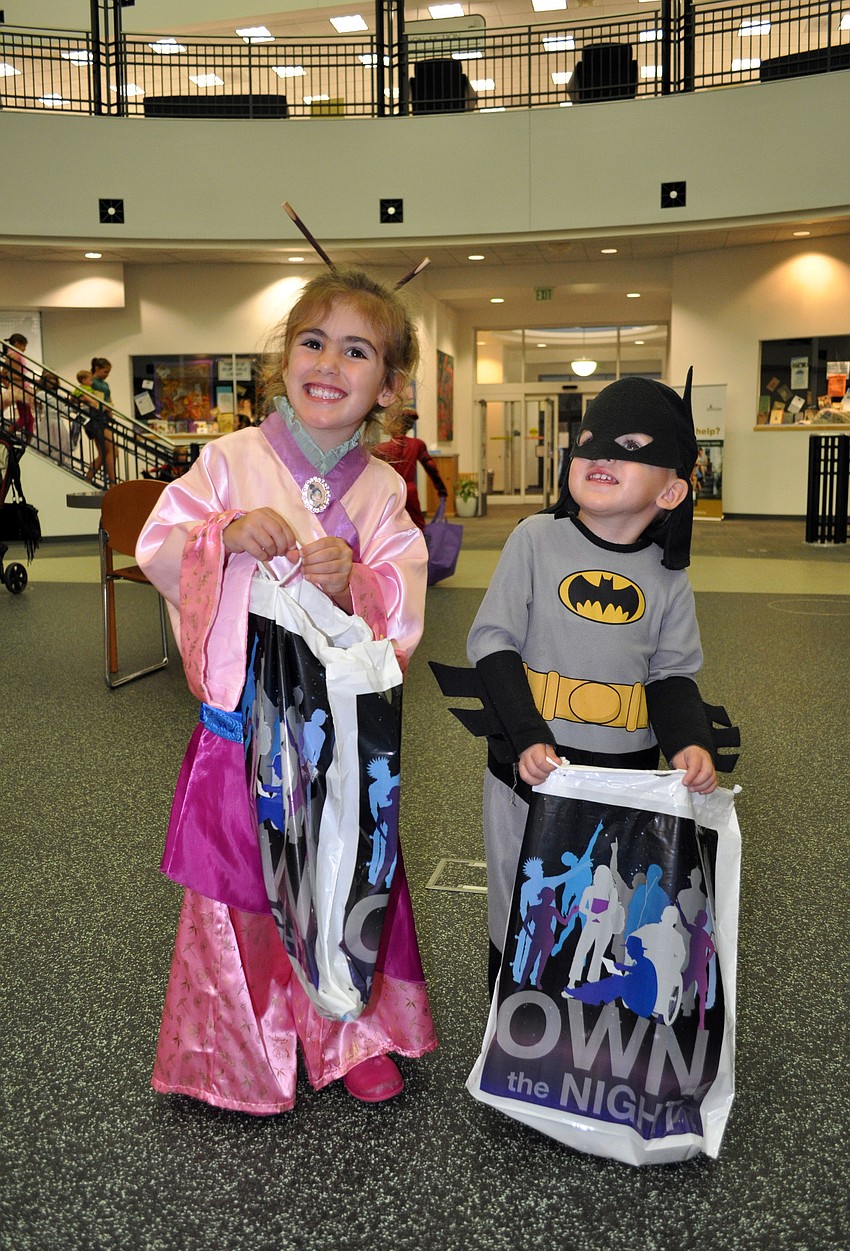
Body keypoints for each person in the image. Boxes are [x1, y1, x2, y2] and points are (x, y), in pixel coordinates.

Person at [136, 268, 437, 1114]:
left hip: (334, 743)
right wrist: (222, 535)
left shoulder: (382, 491)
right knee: (240, 890)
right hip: (242, 728)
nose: (329, 363)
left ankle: (352, 1034)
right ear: (283, 360)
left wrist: (357, 586)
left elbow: (401, 601)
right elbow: (163, 542)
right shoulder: (228, 459)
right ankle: (232, 1044)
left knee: (342, 878)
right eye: (313, 341)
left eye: (358, 350)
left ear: (388, 384)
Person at [466, 373, 718, 991]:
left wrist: (690, 740)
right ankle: (513, 1025)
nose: (600, 454)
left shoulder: (666, 578)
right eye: (588, 441)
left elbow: (671, 674)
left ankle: (581, 1040)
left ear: (671, 490)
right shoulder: (535, 540)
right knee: (522, 904)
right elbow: (491, 644)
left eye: (630, 446)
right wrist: (525, 735)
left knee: (604, 911)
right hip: (531, 771)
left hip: (622, 779)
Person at [374, 408, 447, 530]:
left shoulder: (382, 448)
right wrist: (441, 490)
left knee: (389, 526)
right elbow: (431, 467)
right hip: (410, 491)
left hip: (391, 492)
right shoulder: (417, 444)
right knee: (417, 525)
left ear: (396, 424)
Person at [85, 359, 116, 484]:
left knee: (104, 453)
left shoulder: (105, 384)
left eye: (108, 372)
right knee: (112, 450)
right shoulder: (91, 381)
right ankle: (112, 483)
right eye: (105, 372)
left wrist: (110, 410)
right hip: (95, 418)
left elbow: (108, 399)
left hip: (104, 417)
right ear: (97, 368)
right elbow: (83, 393)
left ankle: (88, 478)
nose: (106, 375)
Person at [3, 334, 34, 437]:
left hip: (21, 387)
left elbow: (5, 372)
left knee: (29, 418)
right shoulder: (14, 356)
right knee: (25, 418)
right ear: (16, 344)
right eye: (23, 346)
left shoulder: (12, 356)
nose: (24, 349)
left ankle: (29, 441)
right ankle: (7, 434)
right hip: (19, 389)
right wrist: (29, 379)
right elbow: (12, 375)